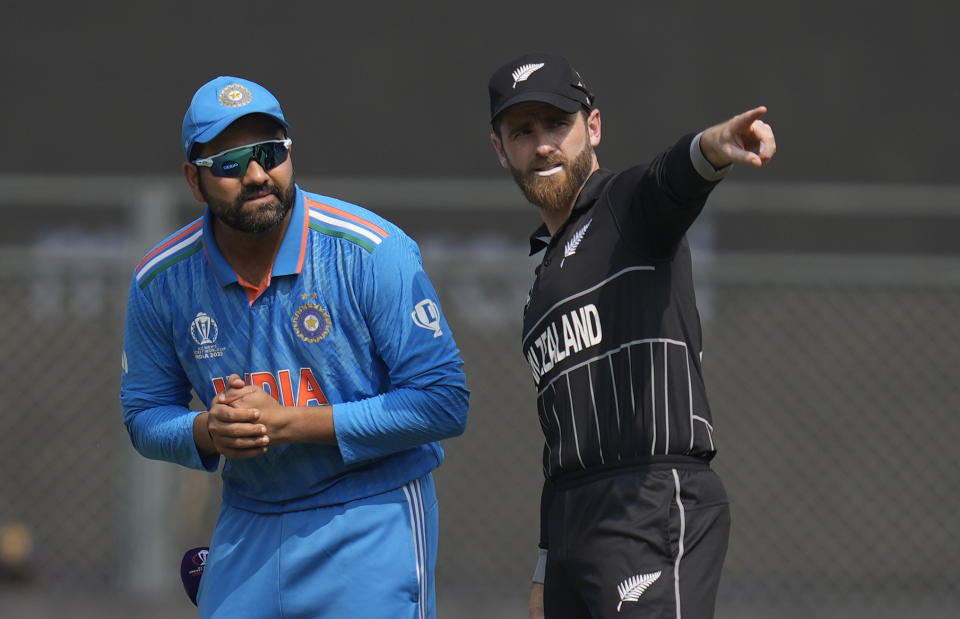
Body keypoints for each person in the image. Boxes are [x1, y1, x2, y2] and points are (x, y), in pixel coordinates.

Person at [121, 75, 469, 618]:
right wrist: (208, 432)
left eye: (271, 152)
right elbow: (143, 415)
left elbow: (443, 401)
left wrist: (285, 423)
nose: (258, 175)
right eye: (231, 162)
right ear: (195, 180)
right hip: (248, 516)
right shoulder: (160, 280)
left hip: (368, 512)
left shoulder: (370, 250)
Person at [486, 53, 776, 619]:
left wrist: (714, 146)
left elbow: (673, 178)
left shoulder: (625, 207)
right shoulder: (543, 282)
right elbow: (560, 440)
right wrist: (548, 564)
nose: (542, 144)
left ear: (592, 127)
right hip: (573, 523)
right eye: (522, 131)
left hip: (649, 498)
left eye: (557, 124)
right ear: (501, 149)